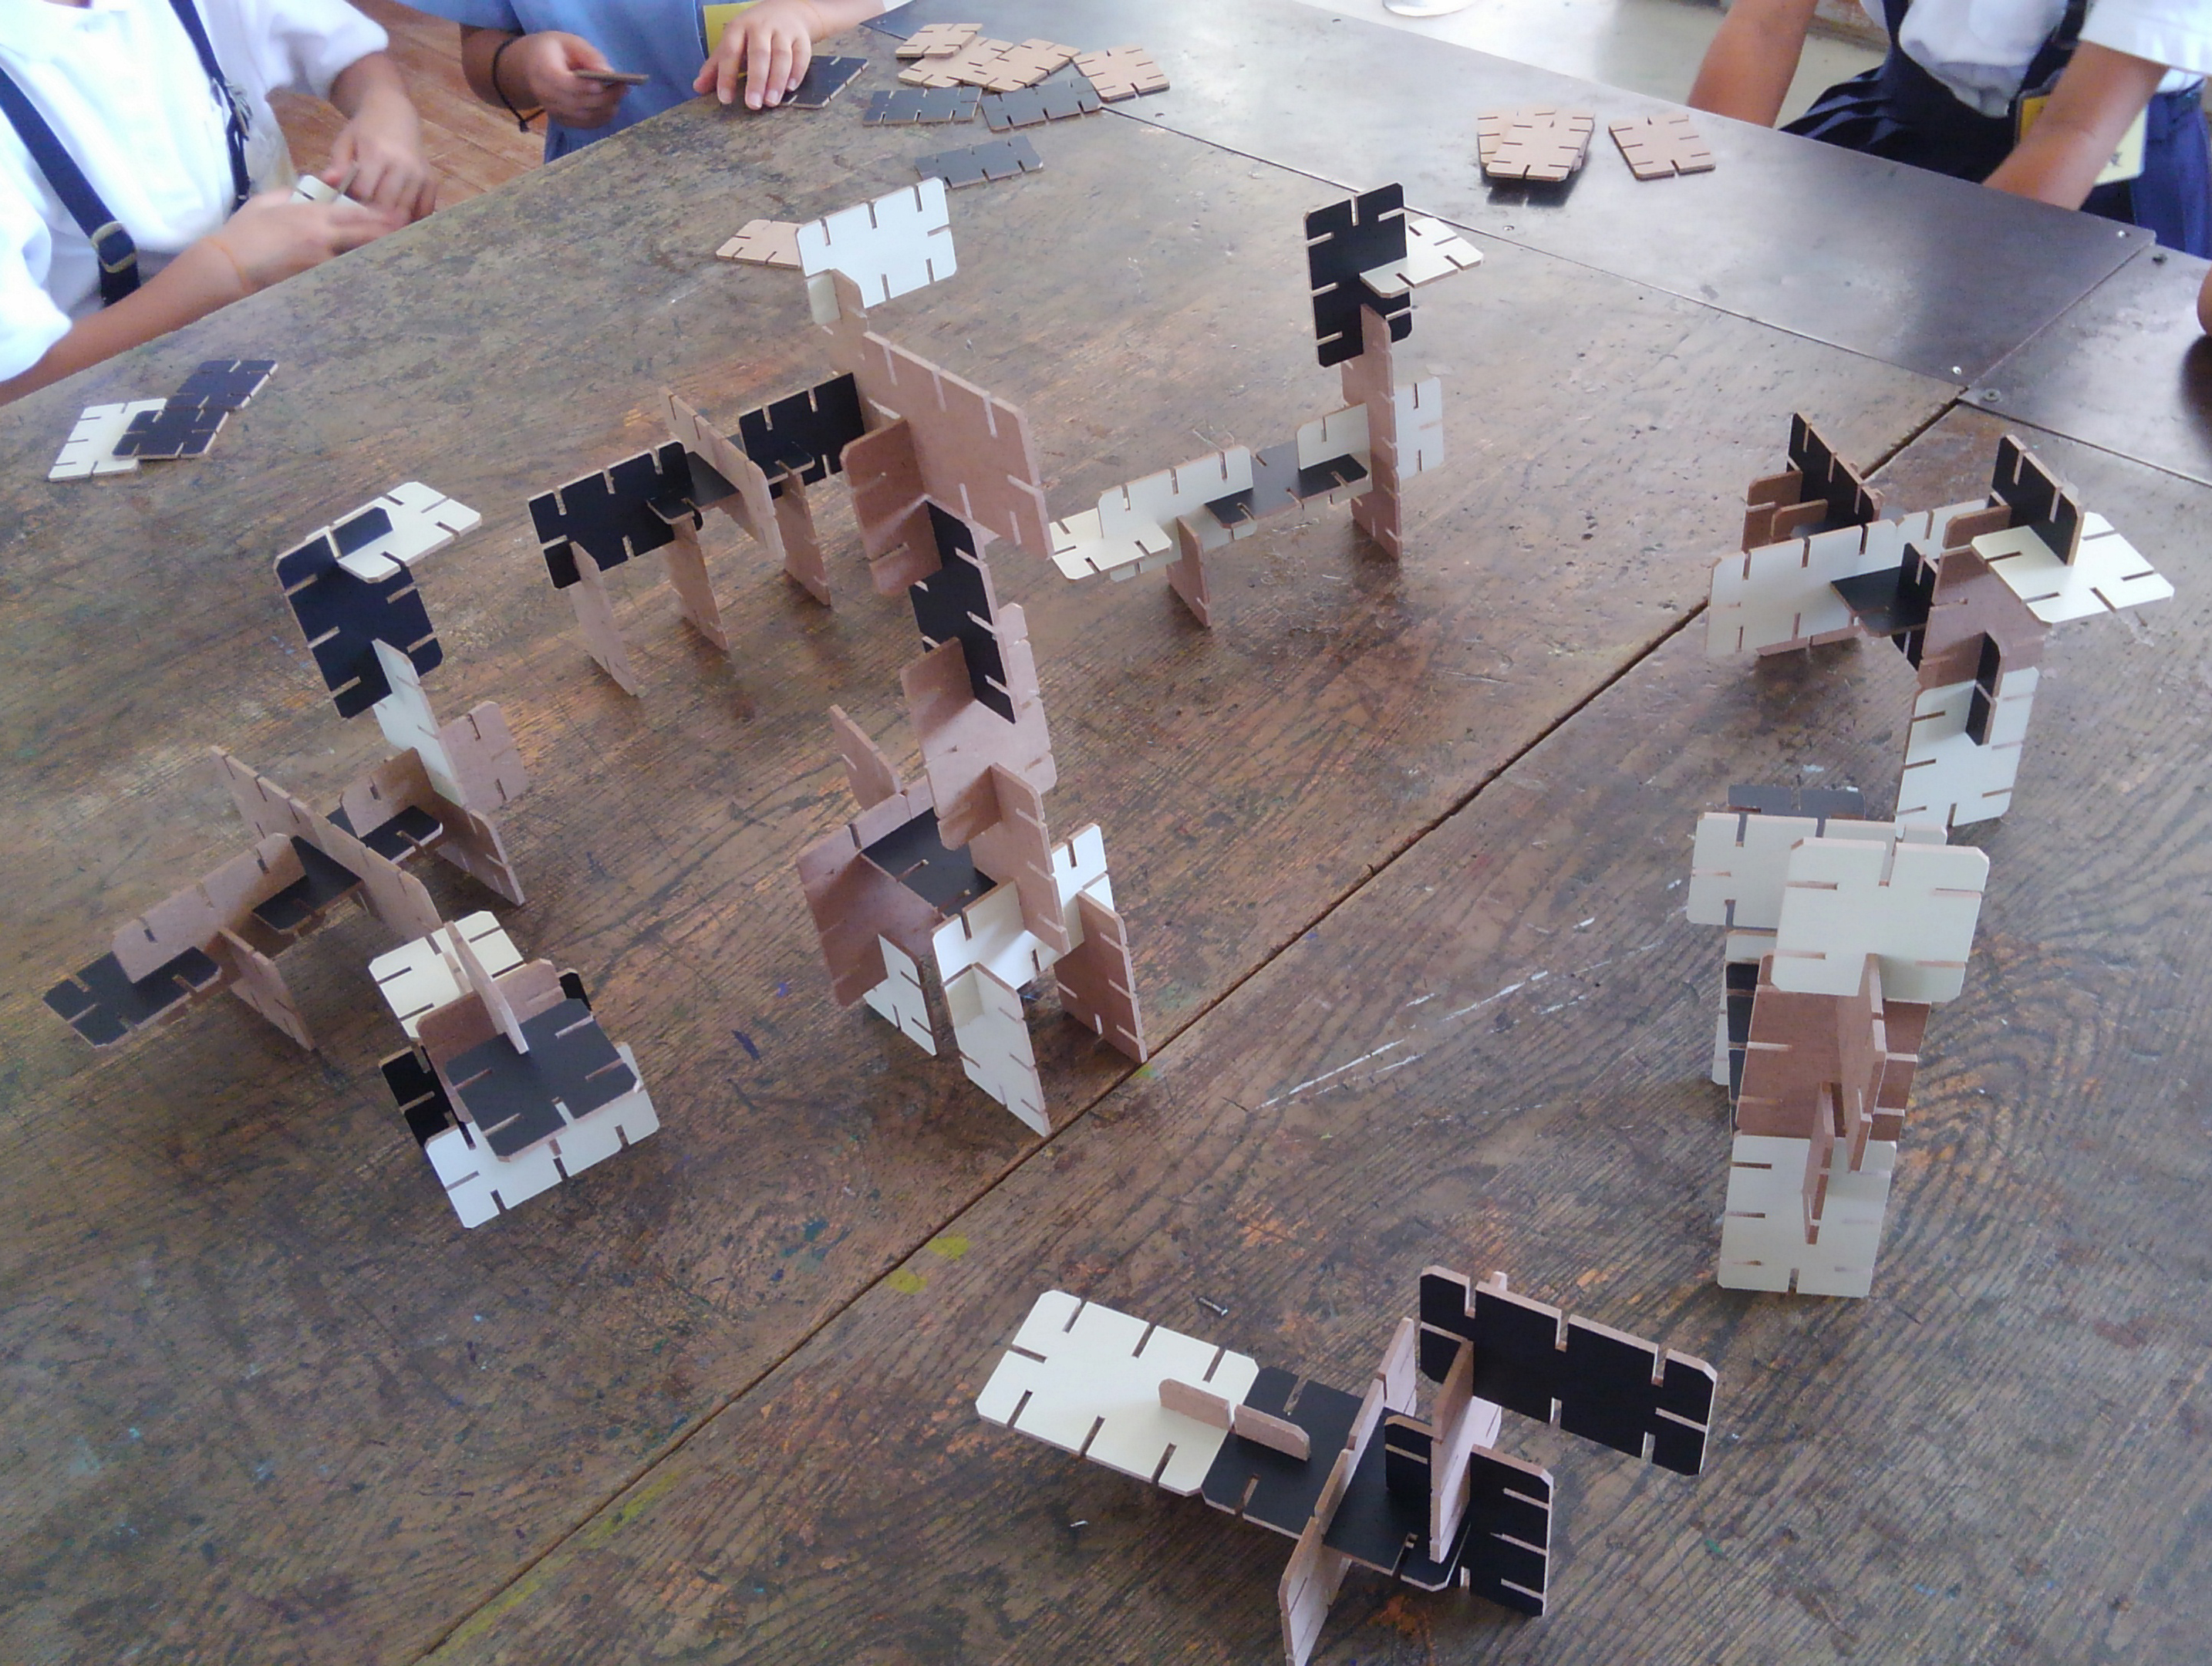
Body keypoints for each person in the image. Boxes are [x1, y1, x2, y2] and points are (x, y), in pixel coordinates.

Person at [0, 0, 432, 403]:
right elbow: (15, 387)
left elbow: (346, 49)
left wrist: (384, 104)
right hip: (110, 402)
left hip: (295, 336)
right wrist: (223, 273)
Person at [1689, 0, 2212, 255]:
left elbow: (2074, 130)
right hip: (1903, 123)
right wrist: (1698, 203)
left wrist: (1941, 323)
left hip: (2090, 181)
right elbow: (1765, 23)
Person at [418, 0, 908, 162]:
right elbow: (482, 48)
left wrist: (807, 12)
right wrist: (523, 65)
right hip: (616, 179)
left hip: (823, 159)